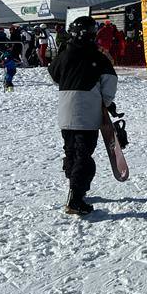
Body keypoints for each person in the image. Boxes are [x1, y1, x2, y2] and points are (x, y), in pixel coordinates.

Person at [48, 16, 118, 216]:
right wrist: (104, 102)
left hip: (65, 111)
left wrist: (68, 86)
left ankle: (75, 188)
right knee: (83, 155)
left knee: (71, 150)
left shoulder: (64, 54)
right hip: (87, 113)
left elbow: (53, 75)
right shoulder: (97, 57)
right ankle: (76, 198)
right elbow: (110, 81)